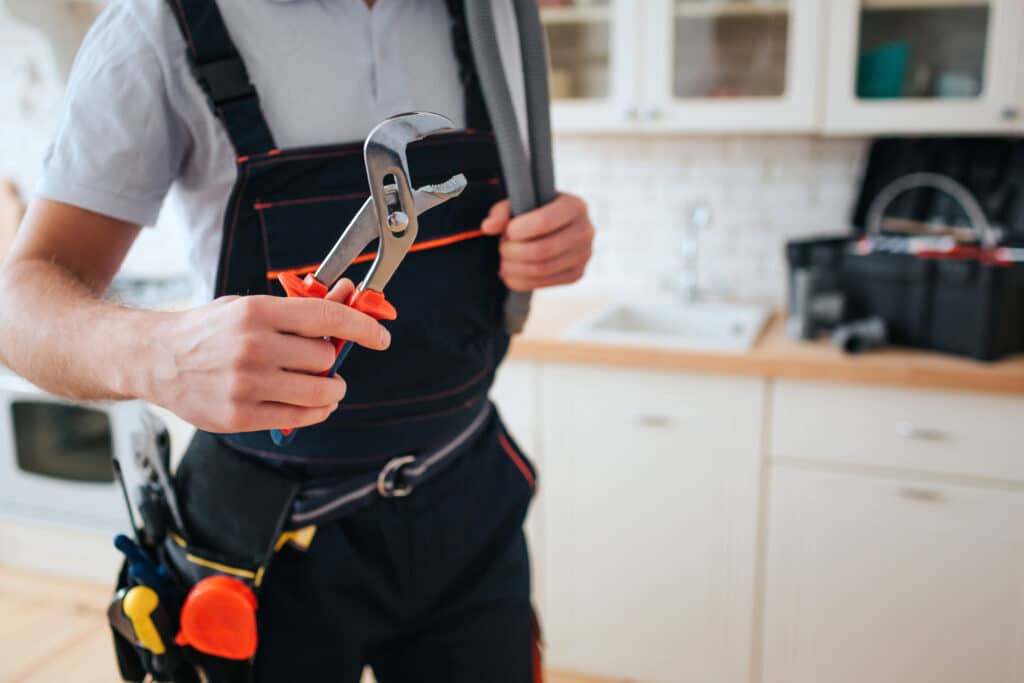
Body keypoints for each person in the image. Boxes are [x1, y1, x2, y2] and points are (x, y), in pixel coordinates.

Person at [0, 1, 595, 681]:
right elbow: (17, 302)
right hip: (261, 543)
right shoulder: (157, 25)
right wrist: (156, 354)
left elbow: (522, 217)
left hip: (468, 503)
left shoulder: (499, 17)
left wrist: (551, 242)